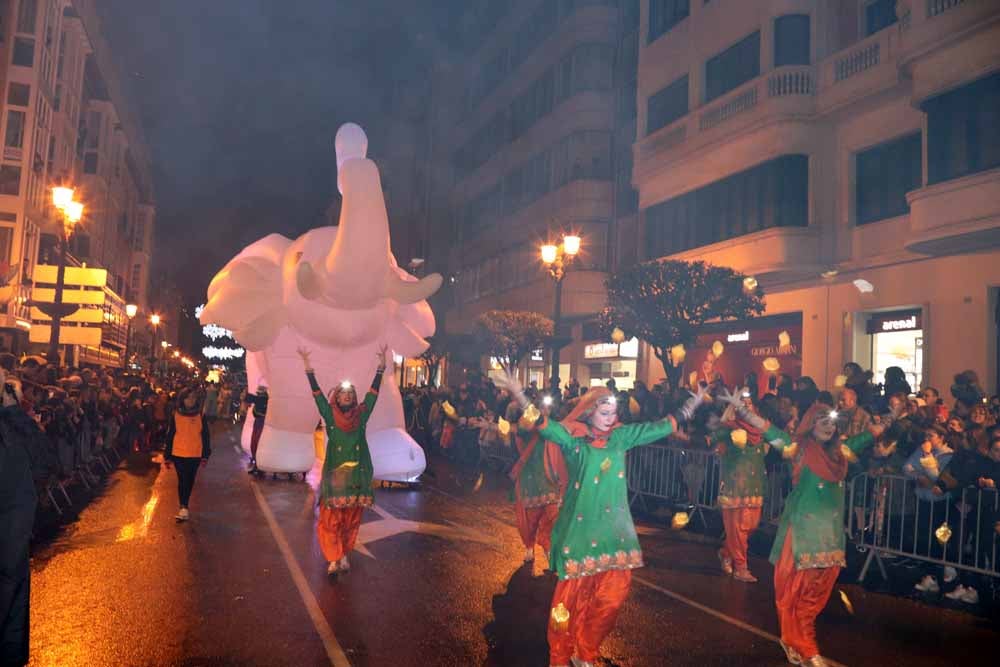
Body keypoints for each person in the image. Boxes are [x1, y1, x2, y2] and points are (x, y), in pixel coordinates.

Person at [497, 370, 702, 667]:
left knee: (611, 601)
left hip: (615, 535)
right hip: (579, 536)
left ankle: (586, 650)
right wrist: (518, 393)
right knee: (566, 606)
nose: (609, 416)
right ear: (591, 412)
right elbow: (545, 426)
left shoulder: (621, 437)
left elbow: (658, 427)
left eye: (614, 411)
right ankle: (560, 655)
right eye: (604, 411)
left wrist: (691, 405)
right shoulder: (574, 441)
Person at [769, 402, 890, 667]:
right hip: (803, 533)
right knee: (795, 591)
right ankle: (807, 647)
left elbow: (869, 434)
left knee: (817, 594)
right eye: (822, 421)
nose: (828, 426)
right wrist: (742, 410)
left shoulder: (841, 452)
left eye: (832, 422)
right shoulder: (798, 448)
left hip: (830, 535)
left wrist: (894, 416)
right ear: (811, 423)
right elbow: (770, 432)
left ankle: (796, 641)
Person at [298, 345, 385, 575]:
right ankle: (334, 558)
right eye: (342, 394)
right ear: (336, 398)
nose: (346, 397)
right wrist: (309, 371)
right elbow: (317, 396)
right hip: (336, 478)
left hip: (357, 477)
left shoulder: (361, 414)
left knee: (351, 521)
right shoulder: (329, 415)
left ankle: (343, 554)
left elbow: (372, 397)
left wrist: (381, 369)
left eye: (350, 395)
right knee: (330, 521)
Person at [711, 389, 790, 583]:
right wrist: (722, 444)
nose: (746, 406)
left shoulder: (761, 430)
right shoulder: (728, 427)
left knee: (750, 527)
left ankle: (726, 552)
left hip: (755, 486)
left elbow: (783, 443)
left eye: (749, 403)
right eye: (742, 403)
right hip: (735, 485)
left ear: (754, 407)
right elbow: (713, 442)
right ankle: (741, 567)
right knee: (738, 529)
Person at [510, 398, 566, 565]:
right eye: (542, 408)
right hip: (531, 479)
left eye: (548, 408)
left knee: (553, 517)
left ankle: (550, 550)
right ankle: (529, 547)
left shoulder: (553, 429)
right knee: (531, 520)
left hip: (549, 479)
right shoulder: (528, 429)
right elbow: (519, 431)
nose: (545, 411)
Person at [164, 388, 212, 522]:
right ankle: (183, 506)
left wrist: (205, 455)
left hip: (195, 453)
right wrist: (167, 455)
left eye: (193, 398)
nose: (190, 400)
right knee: (182, 479)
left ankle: (185, 505)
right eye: (187, 398)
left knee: (190, 481)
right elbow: (171, 434)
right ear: (182, 399)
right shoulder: (175, 414)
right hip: (178, 453)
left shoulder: (200, 415)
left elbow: (205, 436)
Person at [245, 385, 268, 474]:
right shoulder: (262, 399)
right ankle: (257, 466)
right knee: (255, 443)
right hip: (258, 422)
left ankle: (259, 467)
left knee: (257, 444)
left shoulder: (264, 399)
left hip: (261, 423)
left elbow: (250, 398)